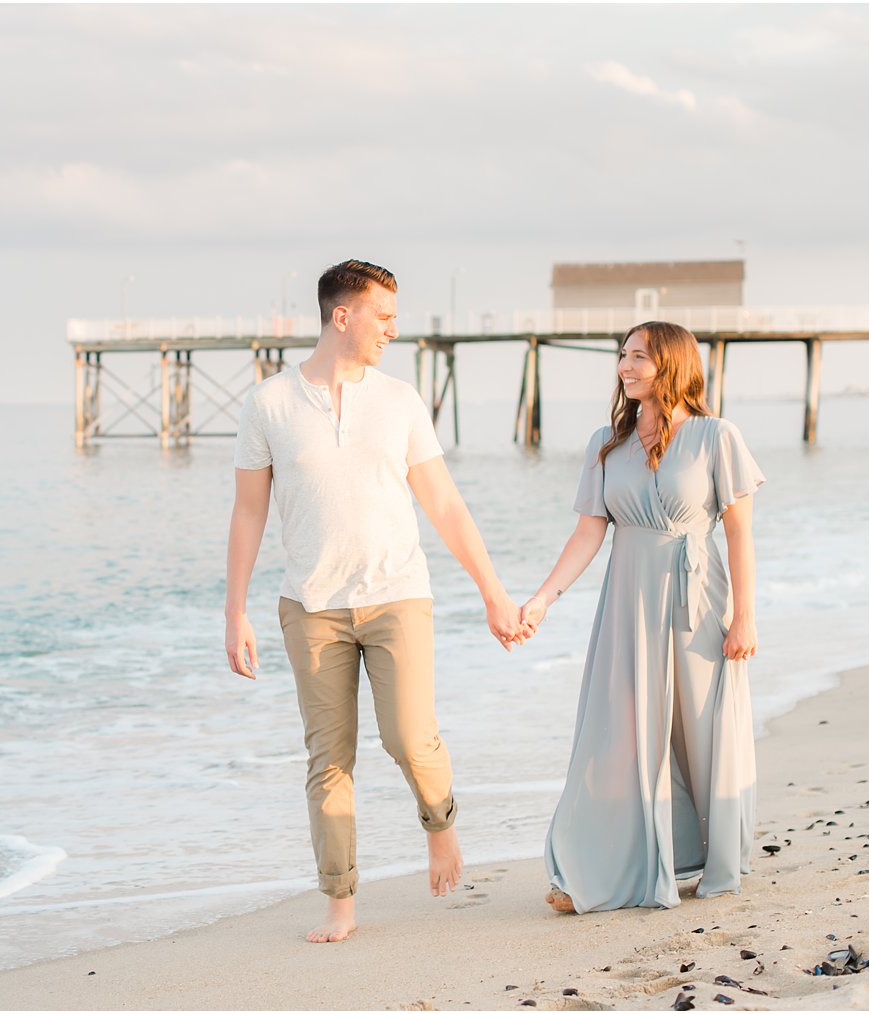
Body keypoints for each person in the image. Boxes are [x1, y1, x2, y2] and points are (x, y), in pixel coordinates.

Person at [224, 259, 532, 943]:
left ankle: (440, 824)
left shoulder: (399, 402)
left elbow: (444, 503)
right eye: (383, 316)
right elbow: (248, 513)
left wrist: (493, 593)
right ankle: (340, 900)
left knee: (408, 736)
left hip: (398, 596)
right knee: (328, 759)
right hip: (310, 606)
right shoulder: (268, 404)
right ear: (343, 316)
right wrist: (236, 610)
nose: (393, 328)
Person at [521, 320, 764, 914]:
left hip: (699, 601)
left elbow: (740, 535)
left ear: (672, 364)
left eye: (639, 358)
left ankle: (708, 857)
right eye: (623, 356)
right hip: (627, 604)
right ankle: (596, 865)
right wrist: (543, 597)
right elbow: (587, 534)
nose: (626, 367)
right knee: (619, 732)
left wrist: (745, 617)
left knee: (699, 734)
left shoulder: (716, 436)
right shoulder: (606, 441)